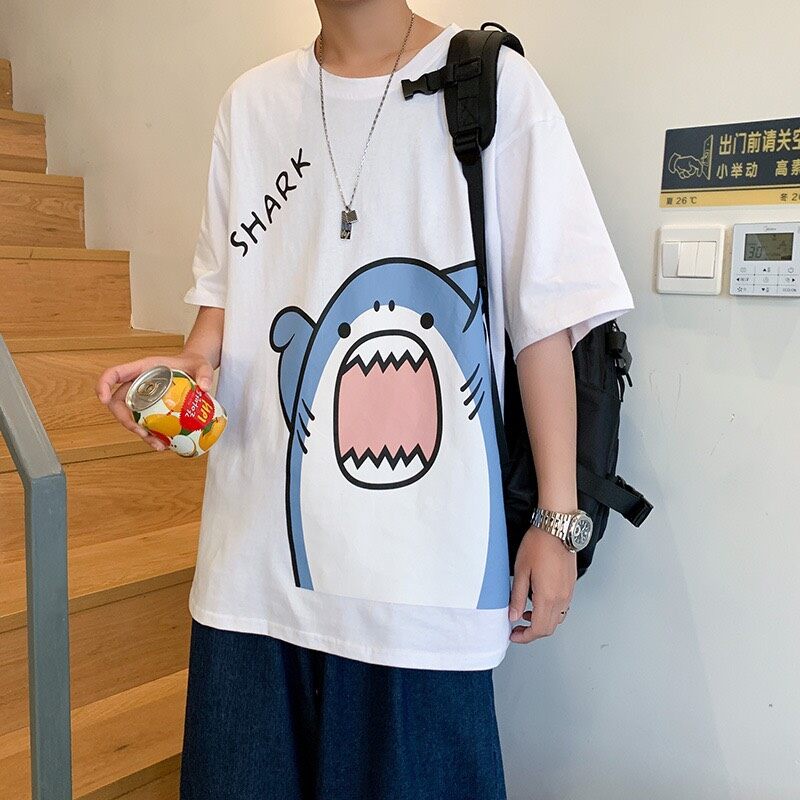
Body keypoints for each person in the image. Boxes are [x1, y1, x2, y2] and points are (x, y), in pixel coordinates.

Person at [96, 2, 634, 798]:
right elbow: (222, 303)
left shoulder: (493, 87)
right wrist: (188, 369)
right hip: (253, 576)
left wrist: (558, 524)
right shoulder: (251, 105)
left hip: (426, 587)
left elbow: (544, 320)